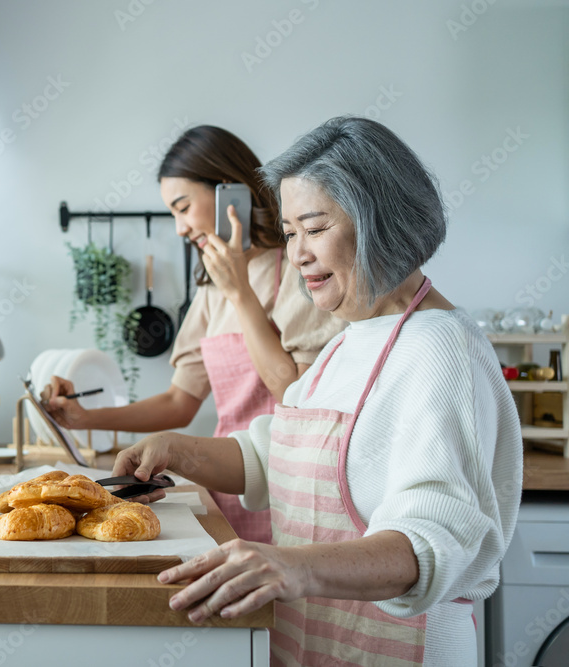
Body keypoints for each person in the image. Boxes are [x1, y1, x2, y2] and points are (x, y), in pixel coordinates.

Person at [112, 116, 522, 666]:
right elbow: (275, 452)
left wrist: (295, 566)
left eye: (315, 227)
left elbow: (432, 542)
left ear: (379, 220)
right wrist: (177, 450)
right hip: (319, 640)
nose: (298, 253)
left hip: (402, 651)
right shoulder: (350, 342)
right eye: (289, 233)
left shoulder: (442, 349)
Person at [43, 125, 344, 543]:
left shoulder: (299, 270)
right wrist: (85, 419)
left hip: (282, 488)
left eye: (183, 207)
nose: (180, 227)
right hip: (222, 490)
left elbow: (295, 395)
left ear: (228, 193)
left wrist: (240, 293)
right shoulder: (211, 285)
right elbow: (179, 401)